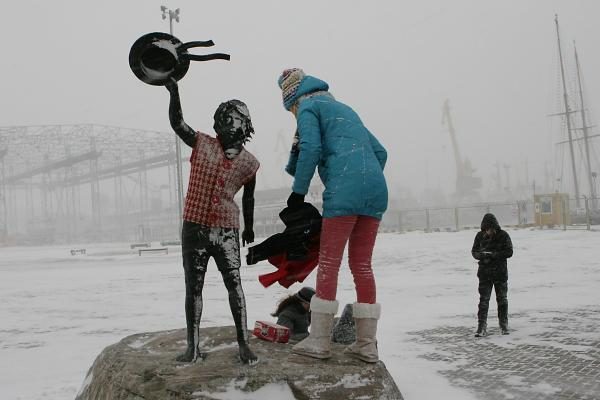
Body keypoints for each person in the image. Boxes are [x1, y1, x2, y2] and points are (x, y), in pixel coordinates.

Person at [277, 68, 388, 363]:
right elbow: (381, 153)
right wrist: (364, 180)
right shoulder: (345, 109)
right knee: (362, 265)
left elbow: (310, 147)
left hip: (344, 191)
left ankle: (320, 341)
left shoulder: (308, 108)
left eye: (291, 110)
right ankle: (367, 346)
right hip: (376, 191)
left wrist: (298, 192)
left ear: (293, 100)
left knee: (329, 262)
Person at [165, 78, 259, 364]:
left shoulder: (250, 163)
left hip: (228, 230)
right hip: (194, 227)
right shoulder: (202, 142)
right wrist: (174, 91)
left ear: (245, 125)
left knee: (235, 285)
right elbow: (178, 122)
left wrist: (251, 227)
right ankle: (192, 347)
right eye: (225, 118)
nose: (229, 123)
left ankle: (244, 344)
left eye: (234, 119)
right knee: (193, 287)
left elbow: (249, 198)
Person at [471, 213, 514, 337]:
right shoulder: (479, 236)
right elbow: (474, 251)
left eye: (491, 229)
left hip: (500, 273)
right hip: (484, 274)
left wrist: (495, 255)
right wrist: (482, 255)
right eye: (487, 229)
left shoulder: (503, 235)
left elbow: (509, 251)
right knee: (483, 301)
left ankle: (503, 325)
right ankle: (481, 326)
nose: (489, 232)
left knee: (502, 300)